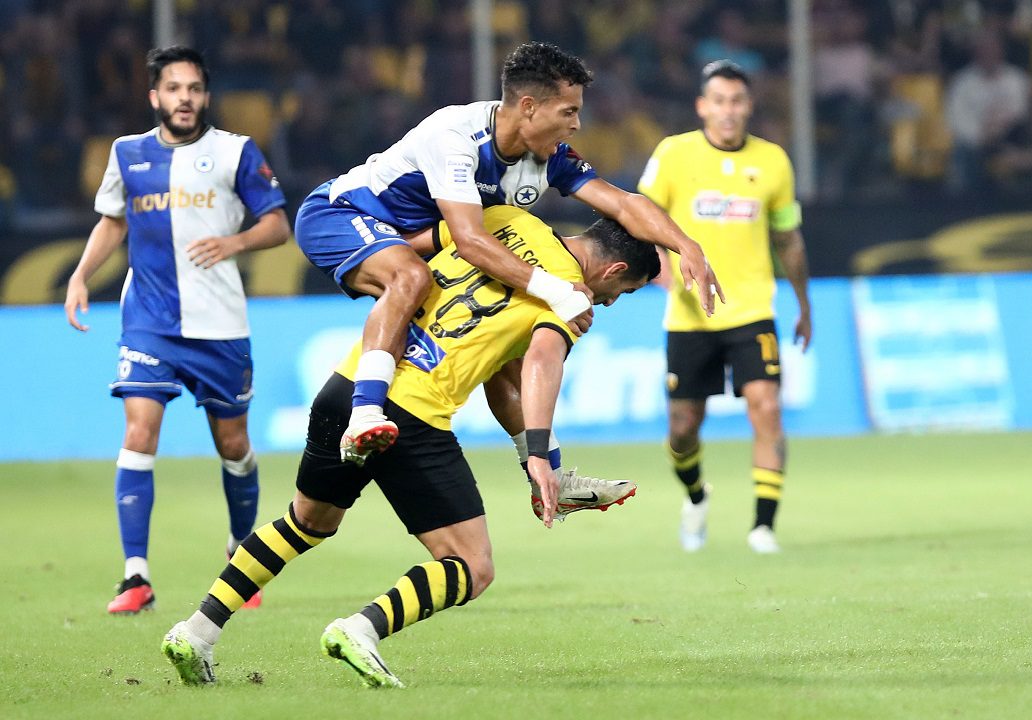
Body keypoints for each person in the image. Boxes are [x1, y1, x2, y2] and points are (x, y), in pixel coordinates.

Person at [161, 205, 659, 686]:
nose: (613, 301)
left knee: (305, 522)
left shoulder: (503, 221)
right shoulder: (569, 295)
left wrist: (545, 462)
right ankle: (360, 630)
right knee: (472, 565)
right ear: (613, 269)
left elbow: (497, 374)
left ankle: (196, 632)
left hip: (352, 386)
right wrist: (538, 458)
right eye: (625, 290)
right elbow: (540, 362)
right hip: (412, 414)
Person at [293, 41, 720, 475]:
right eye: (568, 112)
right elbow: (470, 241)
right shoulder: (455, 137)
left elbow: (624, 204)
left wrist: (686, 245)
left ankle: (549, 471)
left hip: (424, 238)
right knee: (410, 278)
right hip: (345, 214)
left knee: (504, 346)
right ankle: (365, 414)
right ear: (529, 107)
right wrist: (558, 291)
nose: (577, 124)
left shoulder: (547, 157)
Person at [64, 46, 290, 614]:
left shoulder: (236, 152)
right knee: (139, 432)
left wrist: (235, 242)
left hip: (220, 325)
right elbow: (112, 222)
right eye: (173, 88)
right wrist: (81, 275)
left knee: (233, 445)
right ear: (155, 97)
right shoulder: (128, 153)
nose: (184, 98)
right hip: (150, 321)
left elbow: (277, 225)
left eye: (193, 88)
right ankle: (135, 578)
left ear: (205, 96)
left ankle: (242, 556)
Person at [638, 60, 813, 554]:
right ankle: (696, 496)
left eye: (737, 101)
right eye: (719, 101)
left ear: (749, 106)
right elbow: (641, 216)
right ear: (702, 106)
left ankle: (763, 528)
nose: (728, 111)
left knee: (767, 408)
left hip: (752, 309)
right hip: (690, 314)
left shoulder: (773, 161)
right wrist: (660, 268)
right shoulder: (673, 154)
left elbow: (788, 238)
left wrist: (804, 304)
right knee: (683, 428)